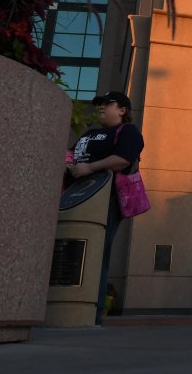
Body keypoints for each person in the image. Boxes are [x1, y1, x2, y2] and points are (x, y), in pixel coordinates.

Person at [65, 90, 145, 325]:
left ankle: (92, 312)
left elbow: (124, 158)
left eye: (107, 103)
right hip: (75, 197)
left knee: (97, 254)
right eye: (98, 103)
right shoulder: (90, 133)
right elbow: (70, 152)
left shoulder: (127, 131)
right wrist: (68, 164)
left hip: (105, 199)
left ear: (122, 110)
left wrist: (89, 168)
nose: (100, 107)